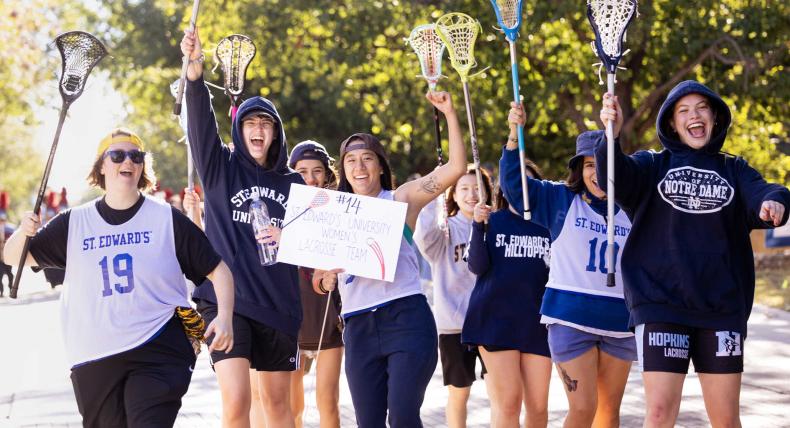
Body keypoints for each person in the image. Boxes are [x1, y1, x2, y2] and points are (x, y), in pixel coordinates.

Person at [2, 128, 234, 427]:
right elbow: (11, 257)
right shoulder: (74, 223)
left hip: (159, 344)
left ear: (142, 166)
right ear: (101, 166)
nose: (128, 161)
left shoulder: (166, 218)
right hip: (94, 352)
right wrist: (24, 232)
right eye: (118, 155)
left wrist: (225, 316)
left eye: (136, 156)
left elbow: (219, 269)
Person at [597, 80, 790, 427]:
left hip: (721, 310)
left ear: (714, 117)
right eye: (684, 110)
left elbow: (767, 190)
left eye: (702, 108)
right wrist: (609, 136)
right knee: (658, 414)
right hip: (661, 305)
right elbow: (613, 177)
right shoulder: (651, 166)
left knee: (726, 420)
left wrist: (774, 201)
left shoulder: (734, 169)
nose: (694, 115)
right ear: (672, 123)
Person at [314, 90, 467, 427]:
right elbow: (320, 279)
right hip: (358, 327)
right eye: (351, 160)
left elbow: (456, 167)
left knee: (401, 417)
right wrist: (326, 279)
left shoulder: (400, 200)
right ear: (343, 169)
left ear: (380, 166)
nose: (359, 166)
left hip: (406, 318)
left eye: (367, 158)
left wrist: (450, 114)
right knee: (368, 423)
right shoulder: (331, 213)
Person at [181, 28, 304, 427]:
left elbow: (319, 243)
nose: (258, 129)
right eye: (250, 121)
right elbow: (200, 124)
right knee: (236, 403)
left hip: (279, 305)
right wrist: (196, 74)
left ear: (276, 133)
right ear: (239, 129)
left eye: (266, 124)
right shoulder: (220, 169)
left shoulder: (295, 184)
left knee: (278, 406)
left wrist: (292, 238)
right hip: (225, 303)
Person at [501, 103, 635, 427]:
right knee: (583, 408)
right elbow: (515, 189)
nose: (598, 173)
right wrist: (513, 138)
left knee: (608, 412)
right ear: (579, 169)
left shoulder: (634, 205)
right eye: (590, 165)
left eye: (605, 164)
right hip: (570, 319)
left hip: (620, 321)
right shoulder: (561, 199)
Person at [462, 166, 552, 428]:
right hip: (495, 322)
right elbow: (477, 266)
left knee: (537, 407)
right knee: (509, 402)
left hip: (537, 324)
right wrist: (477, 226)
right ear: (504, 188)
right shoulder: (492, 220)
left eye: (530, 184)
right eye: (516, 182)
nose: (523, 189)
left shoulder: (550, 225)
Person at [413, 166, 491, 428]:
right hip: (454, 325)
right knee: (460, 392)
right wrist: (433, 192)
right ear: (454, 195)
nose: (471, 194)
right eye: (464, 189)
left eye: (478, 188)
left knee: (500, 391)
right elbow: (423, 236)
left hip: (492, 325)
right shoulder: (445, 231)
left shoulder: (496, 227)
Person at [287, 141, 343, 428]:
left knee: (327, 403)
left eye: (317, 171)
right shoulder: (279, 214)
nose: (310, 178)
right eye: (302, 171)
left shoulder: (342, 215)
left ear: (328, 175)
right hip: (292, 324)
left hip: (329, 321)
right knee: (293, 408)